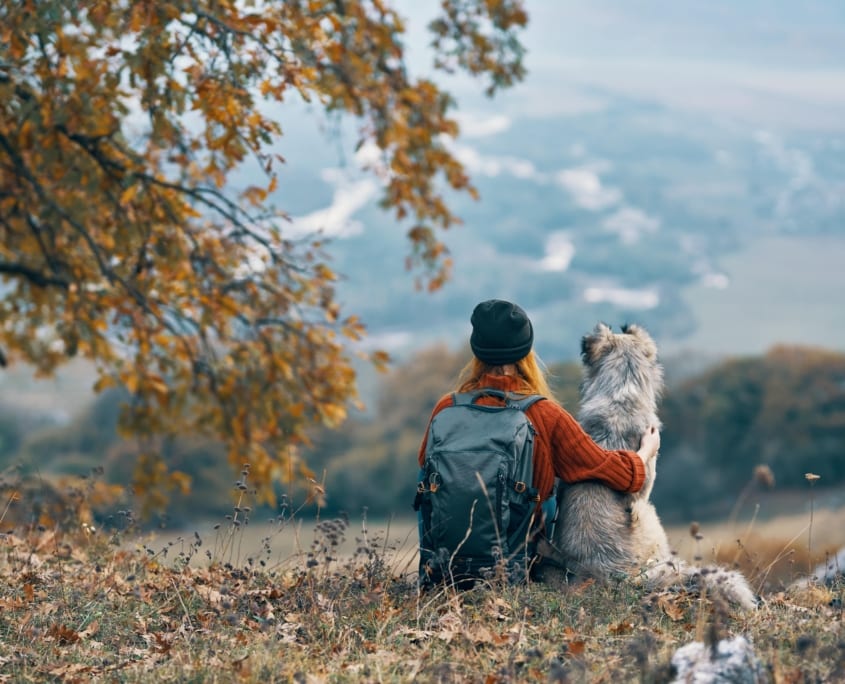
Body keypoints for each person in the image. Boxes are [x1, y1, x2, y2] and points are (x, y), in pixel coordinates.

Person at [417, 299, 661, 577]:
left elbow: (425, 466)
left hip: (444, 569)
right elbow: (610, 471)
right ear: (526, 352)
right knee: (552, 484)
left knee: (428, 478)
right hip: (512, 567)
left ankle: (432, 561)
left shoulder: (446, 407)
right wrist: (644, 453)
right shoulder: (545, 414)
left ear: (477, 351)